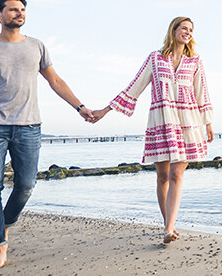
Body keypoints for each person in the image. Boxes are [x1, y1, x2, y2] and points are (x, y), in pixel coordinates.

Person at [0, 0, 94, 270]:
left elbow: (55, 80)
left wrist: (80, 107)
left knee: (26, 186)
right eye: (13, 10)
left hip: (29, 127)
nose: (19, 14)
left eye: (22, 10)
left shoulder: (37, 47)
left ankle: (3, 224)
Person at [90, 16, 215, 244]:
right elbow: (135, 86)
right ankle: (169, 222)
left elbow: (201, 92)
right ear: (173, 30)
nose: (187, 32)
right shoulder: (155, 58)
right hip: (162, 120)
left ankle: (168, 229)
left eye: (191, 30)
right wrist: (105, 110)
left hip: (188, 121)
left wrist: (207, 123)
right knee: (162, 176)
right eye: (183, 28)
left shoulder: (195, 60)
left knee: (177, 174)